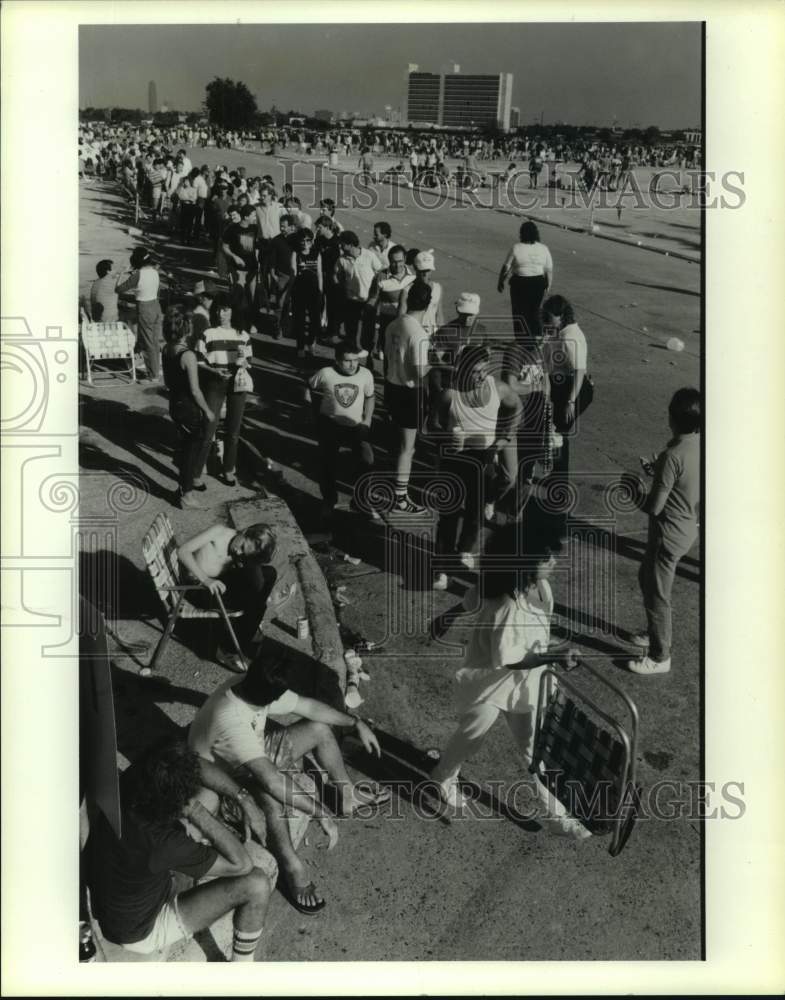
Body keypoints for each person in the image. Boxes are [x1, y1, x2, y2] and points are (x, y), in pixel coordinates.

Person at [188, 649, 389, 914]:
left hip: (249, 755)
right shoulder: (232, 721)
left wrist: (355, 723)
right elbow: (273, 782)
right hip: (220, 781)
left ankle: (348, 795)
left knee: (319, 729)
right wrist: (320, 813)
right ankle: (291, 867)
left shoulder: (250, 684)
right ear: (272, 696)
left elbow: (309, 707)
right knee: (270, 799)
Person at [430, 536, 591, 840]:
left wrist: (449, 614)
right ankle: (442, 776)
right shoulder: (506, 606)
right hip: (489, 681)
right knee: (471, 737)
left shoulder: (539, 587)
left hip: (526, 682)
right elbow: (512, 660)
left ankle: (557, 817)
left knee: (534, 748)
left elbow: (473, 598)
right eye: (546, 559)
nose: (554, 562)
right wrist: (556, 655)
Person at [86, 738, 277, 961]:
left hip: (121, 890)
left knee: (209, 799)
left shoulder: (133, 780)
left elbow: (196, 765)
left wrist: (243, 799)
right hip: (139, 930)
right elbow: (242, 865)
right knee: (256, 884)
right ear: (180, 804)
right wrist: (196, 810)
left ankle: (197, 860)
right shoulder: (163, 843)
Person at [432, 345, 521, 587]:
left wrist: (505, 437)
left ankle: (464, 550)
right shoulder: (449, 394)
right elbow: (432, 424)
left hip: (483, 459)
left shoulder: (498, 388)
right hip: (453, 459)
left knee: (476, 512)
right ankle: (441, 567)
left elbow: (516, 407)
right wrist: (445, 436)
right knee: (448, 515)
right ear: (462, 369)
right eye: (475, 371)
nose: (481, 376)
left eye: (484, 370)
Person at [626, 388, 700, 676]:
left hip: (667, 534)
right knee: (646, 578)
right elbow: (683, 483)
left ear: (672, 418)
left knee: (658, 595)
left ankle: (660, 656)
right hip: (687, 529)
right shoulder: (701, 446)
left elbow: (654, 507)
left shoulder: (672, 456)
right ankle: (654, 632)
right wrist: (658, 472)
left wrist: (633, 490)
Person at [177, 522, 292, 671]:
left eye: (244, 553)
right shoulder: (219, 532)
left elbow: (250, 573)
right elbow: (182, 551)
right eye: (242, 546)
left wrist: (254, 562)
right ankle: (227, 649)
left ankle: (249, 626)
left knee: (270, 573)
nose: (238, 552)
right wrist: (205, 580)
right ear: (244, 531)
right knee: (255, 605)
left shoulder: (240, 551)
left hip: (217, 585)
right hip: (198, 589)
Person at [308, 342, 376, 520]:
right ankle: (329, 501)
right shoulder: (325, 373)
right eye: (347, 361)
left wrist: (367, 421)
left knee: (367, 460)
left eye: (355, 360)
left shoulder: (365, 374)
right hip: (330, 425)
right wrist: (313, 412)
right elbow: (309, 387)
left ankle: (361, 501)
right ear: (337, 360)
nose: (353, 365)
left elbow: (370, 397)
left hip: (356, 425)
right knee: (327, 464)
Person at [193, 292, 252, 491]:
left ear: (234, 311)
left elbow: (249, 362)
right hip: (215, 384)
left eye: (225, 309)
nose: (221, 314)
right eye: (218, 309)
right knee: (208, 429)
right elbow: (198, 361)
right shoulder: (208, 334)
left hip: (237, 384)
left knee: (233, 431)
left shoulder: (243, 336)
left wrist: (243, 362)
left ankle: (228, 469)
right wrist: (214, 371)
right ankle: (196, 474)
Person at [383, 279, 433, 514]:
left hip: (391, 385)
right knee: (408, 448)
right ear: (428, 304)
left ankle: (395, 487)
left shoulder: (393, 324)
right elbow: (420, 372)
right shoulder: (419, 334)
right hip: (410, 392)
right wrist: (437, 361)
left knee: (397, 443)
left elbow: (386, 356)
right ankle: (400, 498)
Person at [161, 306, 215, 510]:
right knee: (190, 453)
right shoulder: (188, 355)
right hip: (189, 409)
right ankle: (187, 495)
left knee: (185, 449)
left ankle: (183, 488)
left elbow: (167, 381)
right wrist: (208, 411)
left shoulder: (166, 349)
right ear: (185, 329)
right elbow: (195, 390)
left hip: (174, 404)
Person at [541, 294, 589, 480]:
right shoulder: (559, 330)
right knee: (553, 431)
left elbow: (579, 371)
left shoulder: (570, 337)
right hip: (561, 386)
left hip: (574, 389)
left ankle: (560, 481)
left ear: (561, 316)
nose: (547, 320)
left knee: (559, 434)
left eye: (550, 317)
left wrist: (570, 401)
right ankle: (555, 475)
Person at [497, 221, 553, 342]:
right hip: (538, 283)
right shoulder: (543, 248)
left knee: (519, 312)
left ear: (521, 234)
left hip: (519, 284)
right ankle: (536, 338)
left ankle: (521, 339)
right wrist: (548, 285)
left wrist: (500, 281)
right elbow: (549, 269)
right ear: (536, 233)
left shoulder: (516, 248)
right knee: (535, 311)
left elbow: (506, 267)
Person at [116, 247, 163, 382]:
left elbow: (118, 289)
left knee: (147, 342)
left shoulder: (138, 275)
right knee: (153, 341)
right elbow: (151, 291)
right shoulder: (155, 272)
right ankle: (154, 369)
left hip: (144, 309)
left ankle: (153, 375)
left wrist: (122, 273)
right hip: (156, 306)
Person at [428, 292, 486, 398]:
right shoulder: (446, 332)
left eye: (471, 315)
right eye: (464, 314)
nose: (467, 318)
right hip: (451, 387)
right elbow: (433, 361)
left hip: (473, 385)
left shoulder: (481, 330)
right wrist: (456, 369)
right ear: (458, 310)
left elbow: (486, 357)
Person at [335, 230, 383, 358]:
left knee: (368, 330)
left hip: (369, 300)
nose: (340, 247)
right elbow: (337, 275)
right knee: (351, 329)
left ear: (351, 244)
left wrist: (376, 294)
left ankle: (368, 355)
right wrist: (343, 289)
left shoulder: (369, 255)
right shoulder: (342, 260)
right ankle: (352, 353)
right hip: (351, 300)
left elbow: (380, 272)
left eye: (342, 244)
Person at [368, 244, 414, 361]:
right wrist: (372, 320)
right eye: (394, 262)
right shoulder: (380, 277)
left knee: (406, 357)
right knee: (388, 357)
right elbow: (373, 299)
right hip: (387, 323)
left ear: (405, 259)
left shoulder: (413, 276)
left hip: (408, 323)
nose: (397, 265)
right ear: (389, 260)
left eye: (400, 261)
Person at [287, 228, 323, 358]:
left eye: (308, 240)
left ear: (312, 241)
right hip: (299, 291)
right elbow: (293, 274)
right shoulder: (296, 254)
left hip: (314, 291)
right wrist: (289, 293)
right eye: (303, 240)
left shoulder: (316, 253)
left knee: (315, 321)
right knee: (300, 321)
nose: (305, 243)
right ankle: (300, 346)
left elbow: (319, 274)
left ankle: (311, 343)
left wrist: (321, 291)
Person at [398, 250, 443, 336]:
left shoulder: (438, 288)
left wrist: (441, 335)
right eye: (422, 270)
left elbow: (439, 316)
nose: (425, 274)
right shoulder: (407, 290)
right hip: (414, 334)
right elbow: (401, 319)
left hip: (432, 335)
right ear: (415, 269)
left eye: (428, 270)